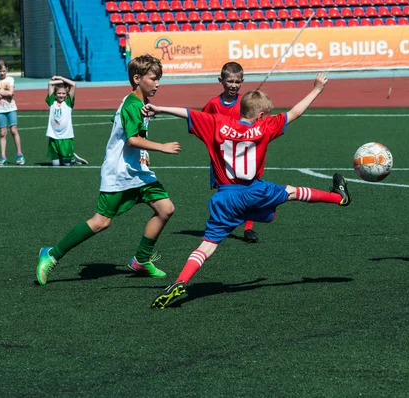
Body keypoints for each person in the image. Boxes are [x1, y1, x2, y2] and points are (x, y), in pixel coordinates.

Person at [146, 73, 352, 309]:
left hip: (224, 197)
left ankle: (181, 281)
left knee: (207, 245)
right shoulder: (265, 126)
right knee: (293, 192)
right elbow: (295, 112)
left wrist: (158, 108)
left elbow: (186, 111)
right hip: (254, 191)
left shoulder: (217, 123)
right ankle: (339, 197)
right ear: (262, 115)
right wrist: (317, 89)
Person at [36, 54, 181, 285]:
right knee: (101, 222)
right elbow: (132, 140)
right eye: (153, 78)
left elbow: (135, 138)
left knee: (165, 209)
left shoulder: (141, 103)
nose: (158, 83)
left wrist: (145, 154)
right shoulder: (132, 105)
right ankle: (51, 254)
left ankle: (141, 260)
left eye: (158, 79)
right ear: (137, 78)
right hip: (119, 172)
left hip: (138, 171)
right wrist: (161, 147)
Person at [203, 61, 260, 244]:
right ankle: (222, 223)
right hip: (222, 157)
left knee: (250, 189)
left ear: (242, 81)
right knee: (225, 192)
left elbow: (257, 123)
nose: (234, 85)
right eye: (230, 81)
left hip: (244, 155)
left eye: (238, 82)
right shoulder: (212, 104)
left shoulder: (246, 102)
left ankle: (249, 228)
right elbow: (203, 123)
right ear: (221, 80)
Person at [45, 75, 88, 166]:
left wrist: (60, 77)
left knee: (66, 165)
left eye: (63, 93)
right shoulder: (52, 101)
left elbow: (73, 84)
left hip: (66, 136)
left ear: (66, 94)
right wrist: (57, 81)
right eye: (59, 93)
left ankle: (72, 159)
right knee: (55, 164)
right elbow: (50, 83)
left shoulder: (68, 102)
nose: (61, 95)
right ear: (55, 95)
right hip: (53, 136)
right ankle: (70, 156)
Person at [0, 60, 25, 166]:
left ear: (7, 70)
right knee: (2, 133)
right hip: (0, 109)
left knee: (14, 130)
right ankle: (3, 157)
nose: (2, 73)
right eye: (0, 71)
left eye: (4, 70)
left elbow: (11, 93)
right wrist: (6, 94)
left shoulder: (10, 79)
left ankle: (19, 154)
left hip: (11, 108)